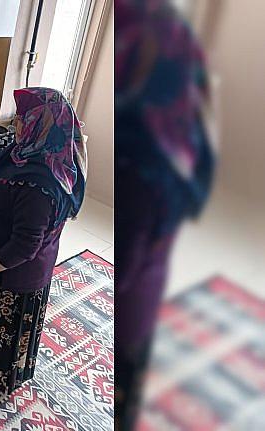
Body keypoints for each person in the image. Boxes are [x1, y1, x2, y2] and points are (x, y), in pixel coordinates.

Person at [114, 1, 214, 429]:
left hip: (129, 313)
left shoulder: (140, 168)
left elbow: (123, 269)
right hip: (147, 298)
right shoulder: (184, 140)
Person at [0, 87, 87, 396]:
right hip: (0, 263)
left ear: (41, 124)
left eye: (21, 118)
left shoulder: (41, 185)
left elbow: (26, 245)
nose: (15, 122)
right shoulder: (37, 155)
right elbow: (10, 171)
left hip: (9, 275)